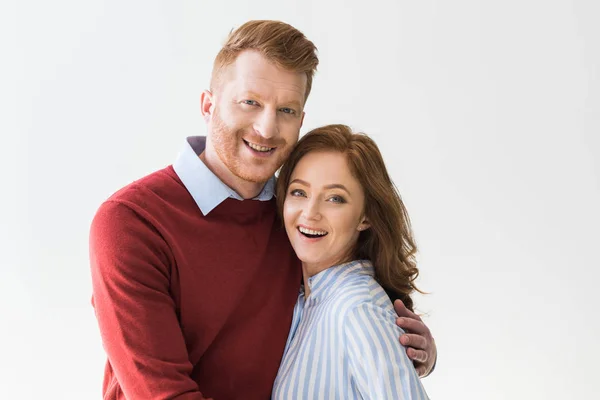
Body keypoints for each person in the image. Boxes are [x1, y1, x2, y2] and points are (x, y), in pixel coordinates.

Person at [89, 20, 436, 400]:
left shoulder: (295, 219)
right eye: (250, 102)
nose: (267, 128)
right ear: (209, 105)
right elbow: (162, 393)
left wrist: (407, 346)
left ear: (300, 121)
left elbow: (348, 298)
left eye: (286, 110)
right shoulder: (131, 223)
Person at [272, 124, 429, 399]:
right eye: (299, 192)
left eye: (335, 198)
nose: (310, 213)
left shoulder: (356, 308)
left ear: (365, 216)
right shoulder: (305, 299)